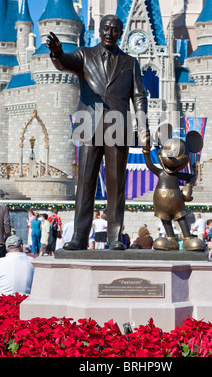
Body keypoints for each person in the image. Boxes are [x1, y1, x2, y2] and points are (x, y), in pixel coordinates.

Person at [46, 14, 150, 251]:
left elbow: (139, 96)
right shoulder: (84, 55)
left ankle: (114, 236)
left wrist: (143, 126)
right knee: (85, 182)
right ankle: (80, 236)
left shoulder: (130, 63)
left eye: (115, 29)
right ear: (100, 30)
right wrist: (57, 53)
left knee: (116, 183)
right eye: (106, 28)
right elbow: (64, 63)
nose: (110, 33)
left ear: (121, 33)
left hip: (118, 127)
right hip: (88, 125)